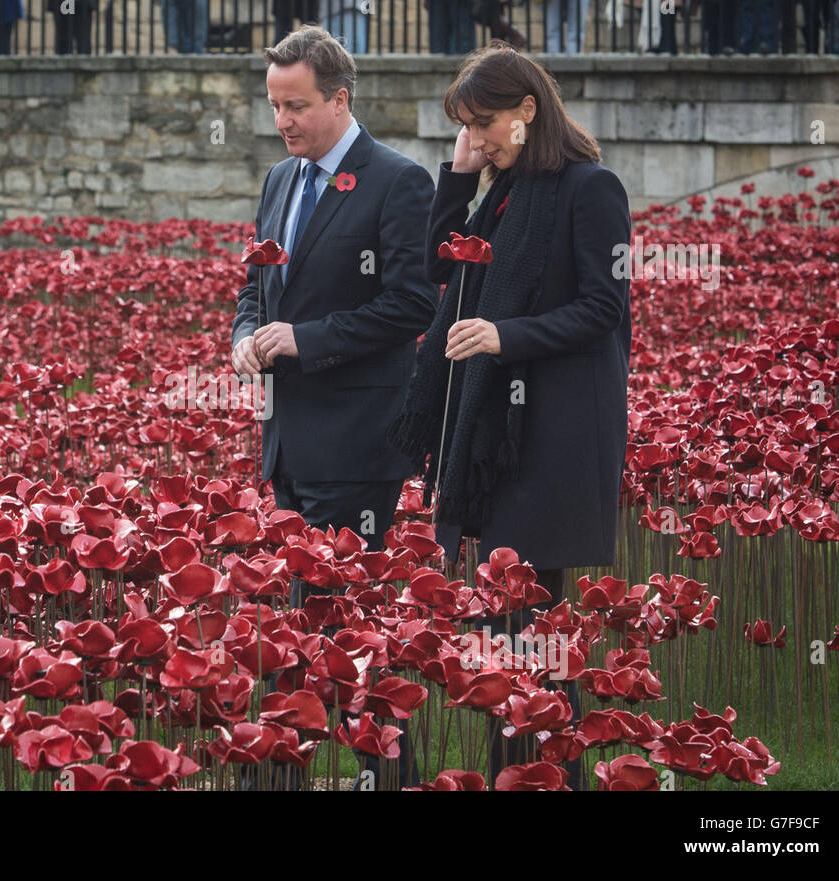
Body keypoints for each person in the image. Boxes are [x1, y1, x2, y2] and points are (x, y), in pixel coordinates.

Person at [388, 41, 631, 790]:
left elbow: (604, 307)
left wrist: (504, 336)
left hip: (547, 440)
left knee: (534, 628)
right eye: (467, 125)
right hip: (493, 439)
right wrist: (457, 173)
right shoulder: (497, 192)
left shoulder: (590, 188)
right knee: (507, 629)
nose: (480, 136)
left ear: (529, 109)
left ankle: (540, 776)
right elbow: (435, 266)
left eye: (485, 122)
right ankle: (523, 776)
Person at [232, 25, 438, 789]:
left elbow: (410, 305)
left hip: (357, 442)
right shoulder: (280, 180)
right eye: (274, 106)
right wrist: (246, 334)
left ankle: (385, 777)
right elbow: (256, 286)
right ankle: (281, 775)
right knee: (290, 627)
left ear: (340, 98)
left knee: (354, 633)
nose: (283, 121)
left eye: (297, 106)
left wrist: (304, 339)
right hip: (288, 440)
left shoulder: (397, 180)